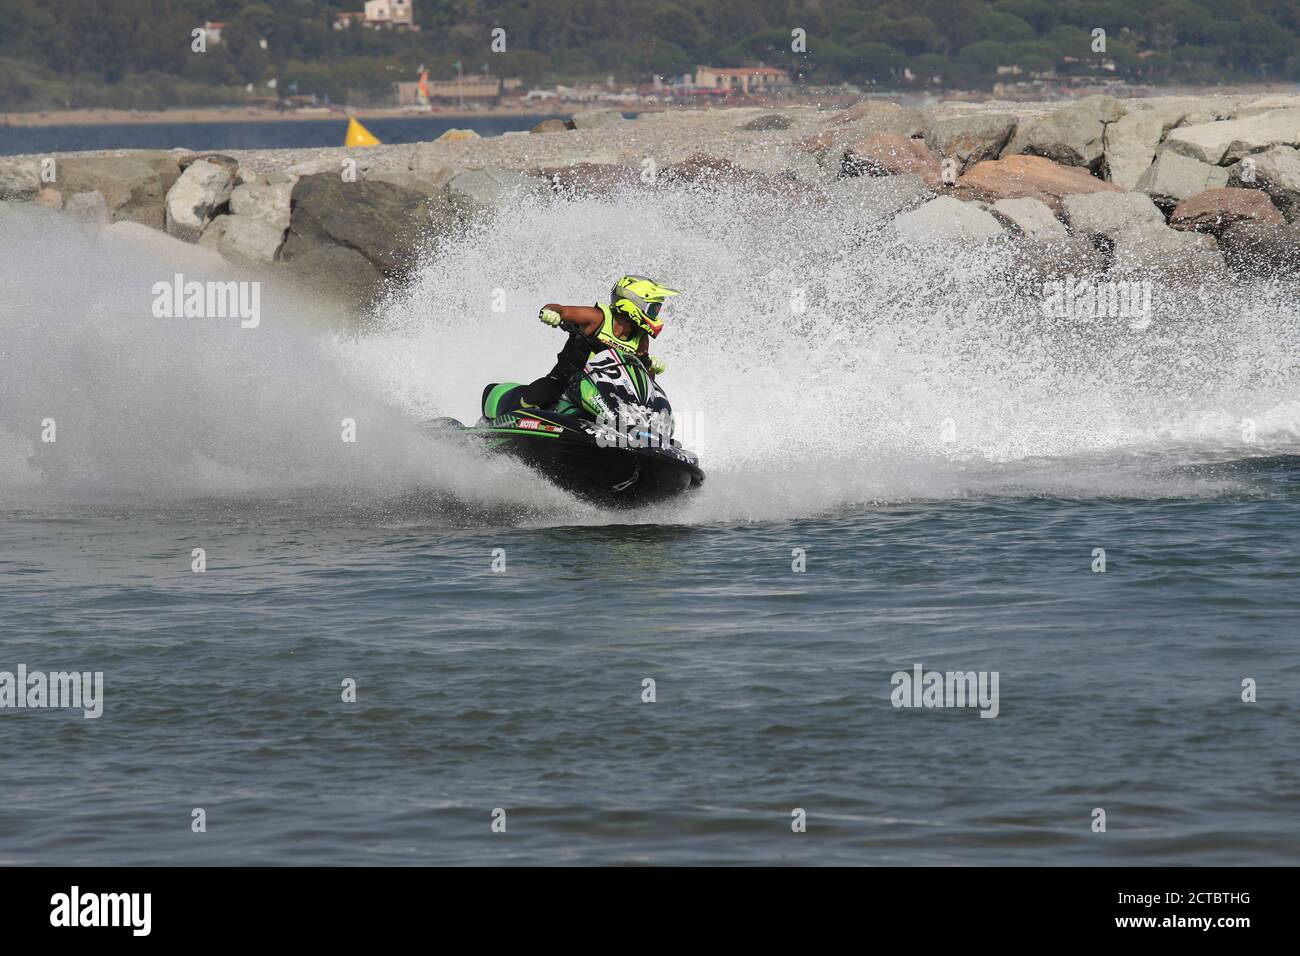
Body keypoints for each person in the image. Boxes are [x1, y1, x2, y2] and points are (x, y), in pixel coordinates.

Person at [483, 275, 679, 418]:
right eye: (652, 308)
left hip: (605, 395)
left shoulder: (641, 338)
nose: (655, 314)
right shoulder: (597, 318)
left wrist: (650, 368)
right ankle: (503, 425)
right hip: (566, 383)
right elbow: (560, 309)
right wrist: (550, 313)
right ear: (632, 302)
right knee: (542, 393)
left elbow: (643, 382)